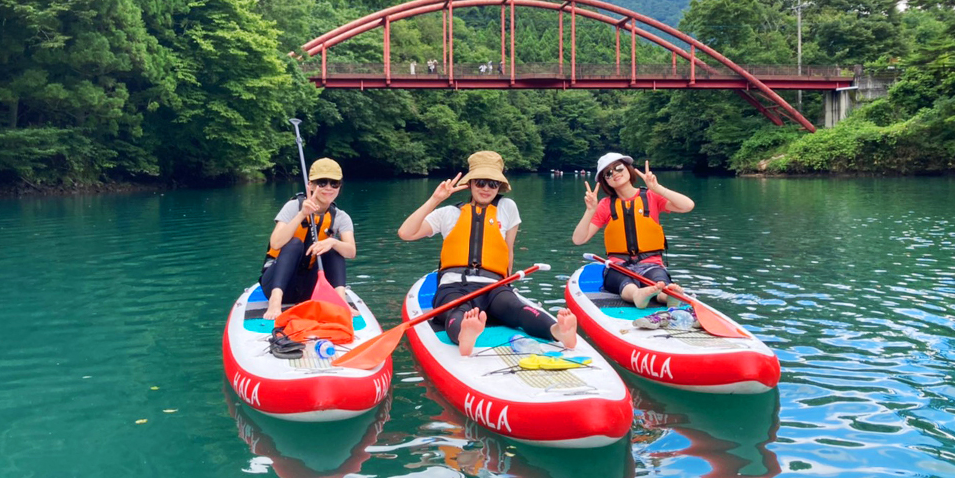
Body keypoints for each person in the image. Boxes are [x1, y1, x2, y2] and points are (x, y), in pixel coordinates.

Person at [397, 151, 578, 356]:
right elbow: (406, 233)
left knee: (513, 307)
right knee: (457, 311)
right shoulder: (447, 213)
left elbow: (508, 250)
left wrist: (507, 286)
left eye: (492, 183)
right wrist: (435, 199)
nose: (486, 188)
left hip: (494, 286)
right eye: (481, 182)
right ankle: (465, 335)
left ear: (499, 186)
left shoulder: (507, 207)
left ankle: (558, 331)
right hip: (453, 286)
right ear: (471, 183)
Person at [572, 153, 694, 309]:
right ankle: (638, 295)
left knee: (658, 280)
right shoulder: (605, 205)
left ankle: (667, 296)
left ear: (628, 169)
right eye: (608, 173)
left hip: (651, 263)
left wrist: (657, 188)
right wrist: (590, 211)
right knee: (625, 282)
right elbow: (578, 239)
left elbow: (687, 206)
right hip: (618, 266)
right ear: (605, 181)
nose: (615, 173)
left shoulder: (651, 196)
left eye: (618, 168)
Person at [260, 158, 356, 320]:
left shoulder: (341, 217)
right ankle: (275, 301)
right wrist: (302, 215)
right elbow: (276, 243)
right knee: (294, 243)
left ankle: (341, 299)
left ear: (339, 186)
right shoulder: (293, 207)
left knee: (335, 247)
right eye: (322, 182)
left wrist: (332, 241)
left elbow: (351, 252)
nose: (328, 188)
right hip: (277, 282)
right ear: (310, 185)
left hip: (309, 285)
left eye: (334, 183)